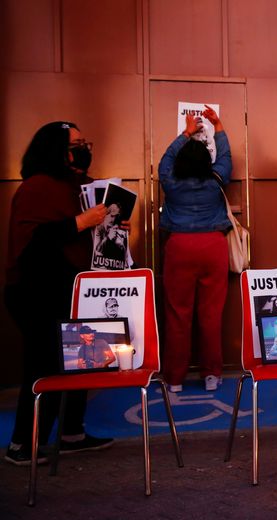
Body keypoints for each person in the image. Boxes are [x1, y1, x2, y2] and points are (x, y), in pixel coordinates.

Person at [4, 121, 115, 465]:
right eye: (76, 144)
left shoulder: (77, 185)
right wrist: (81, 223)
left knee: (83, 359)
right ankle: (23, 444)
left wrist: (112, 224)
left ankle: (72, 433)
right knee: (45, 367)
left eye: (85, 142)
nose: (83, 149)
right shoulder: (36, 188)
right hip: (36, 293)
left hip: (73, 289)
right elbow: (33, 245)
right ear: (55, 149)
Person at [159, 105, 232, 393]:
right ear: (206, 163)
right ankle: (212, 375)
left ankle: (175, 379)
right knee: (211, 314)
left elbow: (165, 160)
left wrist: (186, 133)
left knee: (178, 314)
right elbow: (225, 158)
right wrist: (218, 125)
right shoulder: (215, 181)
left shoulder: (171, 183)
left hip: (179, 246)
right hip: (213, 246)